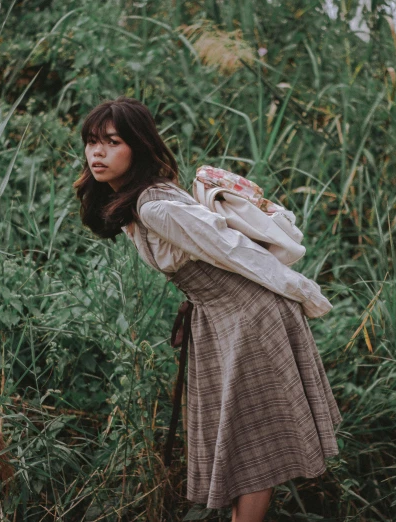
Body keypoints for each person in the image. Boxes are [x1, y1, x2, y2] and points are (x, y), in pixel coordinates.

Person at [73, 96, 342, 522]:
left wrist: (301, 291)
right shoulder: (140, 198)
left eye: (111, 142)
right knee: (241, 434)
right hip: (221, 318)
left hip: (247, 315)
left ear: (137, 146)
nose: (97, 153)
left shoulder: (154, 205)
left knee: (251, 436)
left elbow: (233, 251)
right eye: (91, 142)